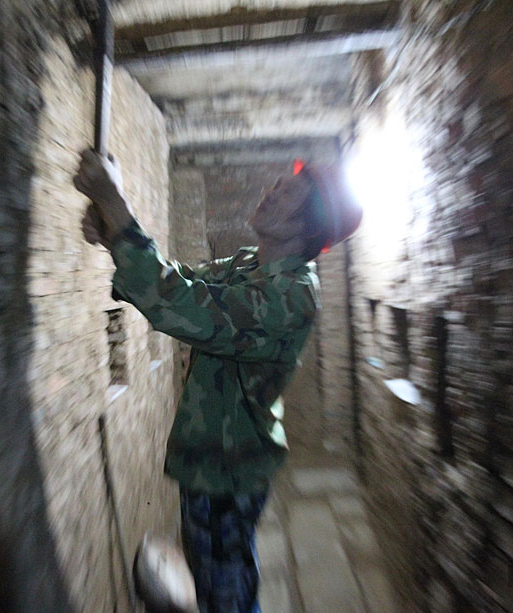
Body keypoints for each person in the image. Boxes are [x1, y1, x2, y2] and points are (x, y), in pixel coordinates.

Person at [73, 150, 362, 613]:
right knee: (218, 576)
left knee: (224, 590)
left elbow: (181, 307)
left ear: (307, 228)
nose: (271, 192)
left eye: (287, 195)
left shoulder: (291, 297)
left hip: (229, 466)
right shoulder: (249, 264)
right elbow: (180, 282)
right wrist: (114, 236)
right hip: (212, 456)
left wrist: (115, 204)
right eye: (277, 185)